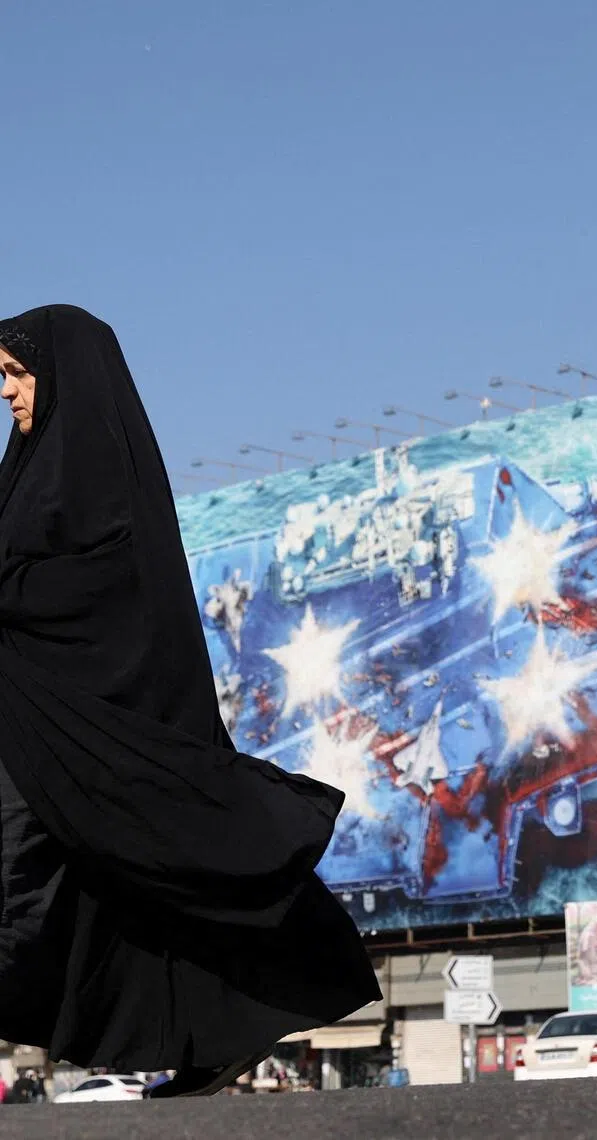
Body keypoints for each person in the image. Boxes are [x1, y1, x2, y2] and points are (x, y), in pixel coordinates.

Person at [0, 306, 380, 1097]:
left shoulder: (100, 476)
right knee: (108, 890)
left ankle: (251, 1011)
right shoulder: (27, 477)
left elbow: (105, 596)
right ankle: (222, 1034)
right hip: (36, 730)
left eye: (17, 372)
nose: (7, 391)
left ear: (65, 373)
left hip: (90, 731)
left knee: (63, 876)